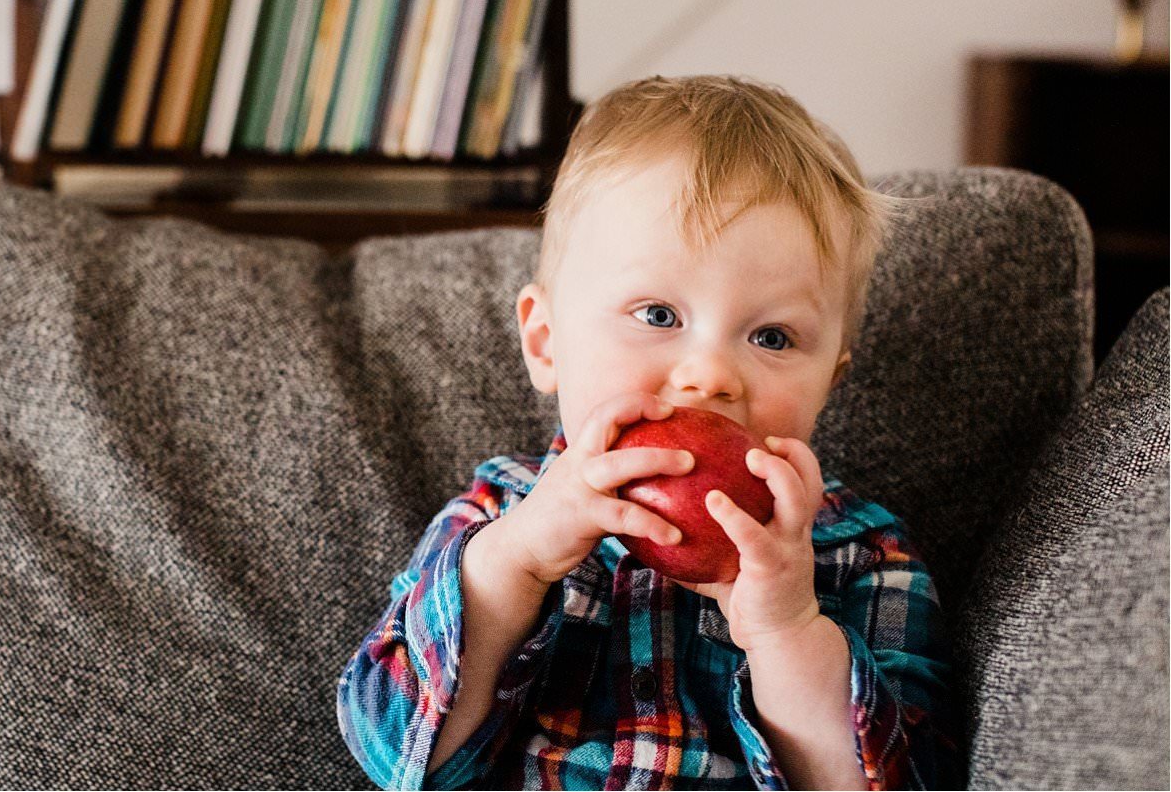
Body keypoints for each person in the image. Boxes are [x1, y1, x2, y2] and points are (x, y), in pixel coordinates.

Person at [336, 75, 958, 790]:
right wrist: (514, 564)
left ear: (830, 381)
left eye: (772, 335)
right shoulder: (499, 514)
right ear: (545, 343)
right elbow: (392, 751)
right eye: (658, 314)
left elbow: (907, 781)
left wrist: (787, 631)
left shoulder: (860, 554)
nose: (710, 375)